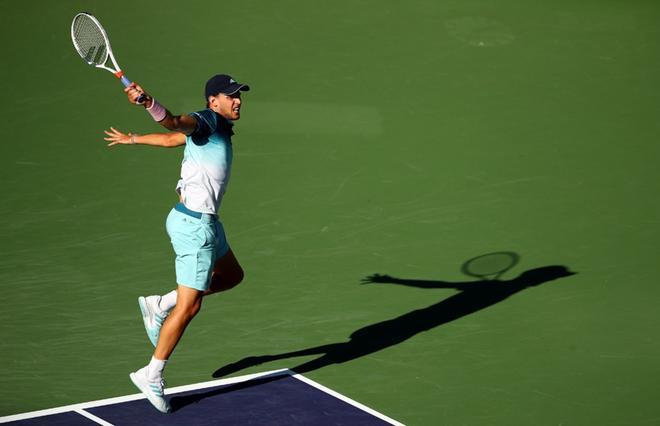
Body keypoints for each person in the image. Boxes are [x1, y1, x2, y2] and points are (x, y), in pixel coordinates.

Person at [102, 74, 250, 413]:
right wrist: (148, 102)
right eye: (231, 96)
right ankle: (151, 374)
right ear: (214, 101)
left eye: (239, 95)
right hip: (193, 227)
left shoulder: (217, 129)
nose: (238, 100)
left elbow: (172, 141)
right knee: (191, 306)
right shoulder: (207, 119)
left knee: (232, 276)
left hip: (207, 224)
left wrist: (133, 138)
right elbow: (173, 123)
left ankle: (160, 303)